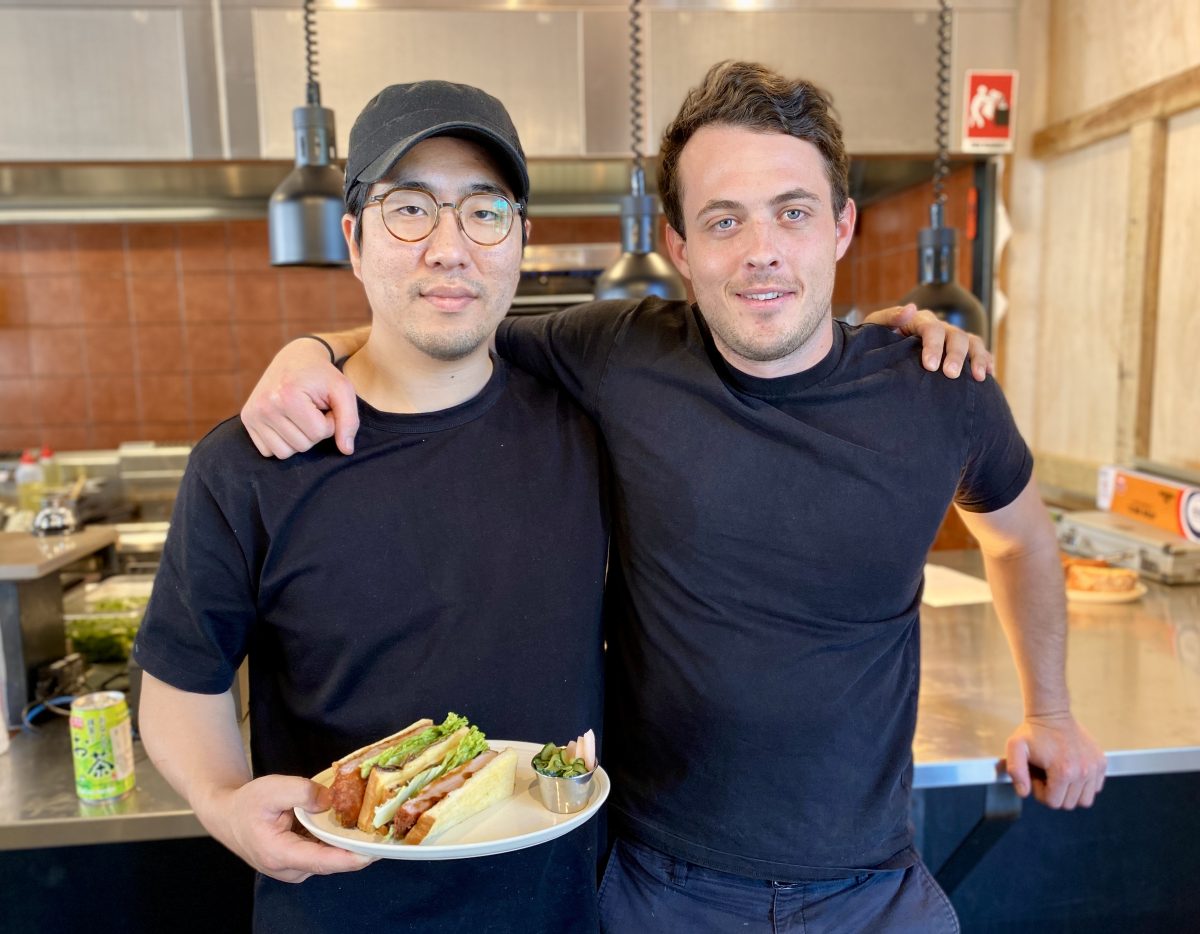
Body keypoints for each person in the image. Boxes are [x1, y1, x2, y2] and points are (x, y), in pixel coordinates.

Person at [241, 63, 1107, 933]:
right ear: (681, 245)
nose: (761, 248)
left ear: (842, 226)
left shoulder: (939, 389)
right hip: (657, 889)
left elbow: (1021, 540)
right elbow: (444, 319)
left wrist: (1052, 711)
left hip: (876, 888)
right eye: (724, 220)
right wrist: (311, 349)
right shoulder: (619, 352)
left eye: (793, 212)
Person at [134, 81, 612, 933]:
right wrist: (220, 801)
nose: (448, 247)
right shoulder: (251, 462)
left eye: (484, 212)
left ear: (520, 240)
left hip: (560, 909)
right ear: (354, 241)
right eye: (409, 209)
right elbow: (180, 683)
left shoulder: (590, 432)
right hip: (336, 908)